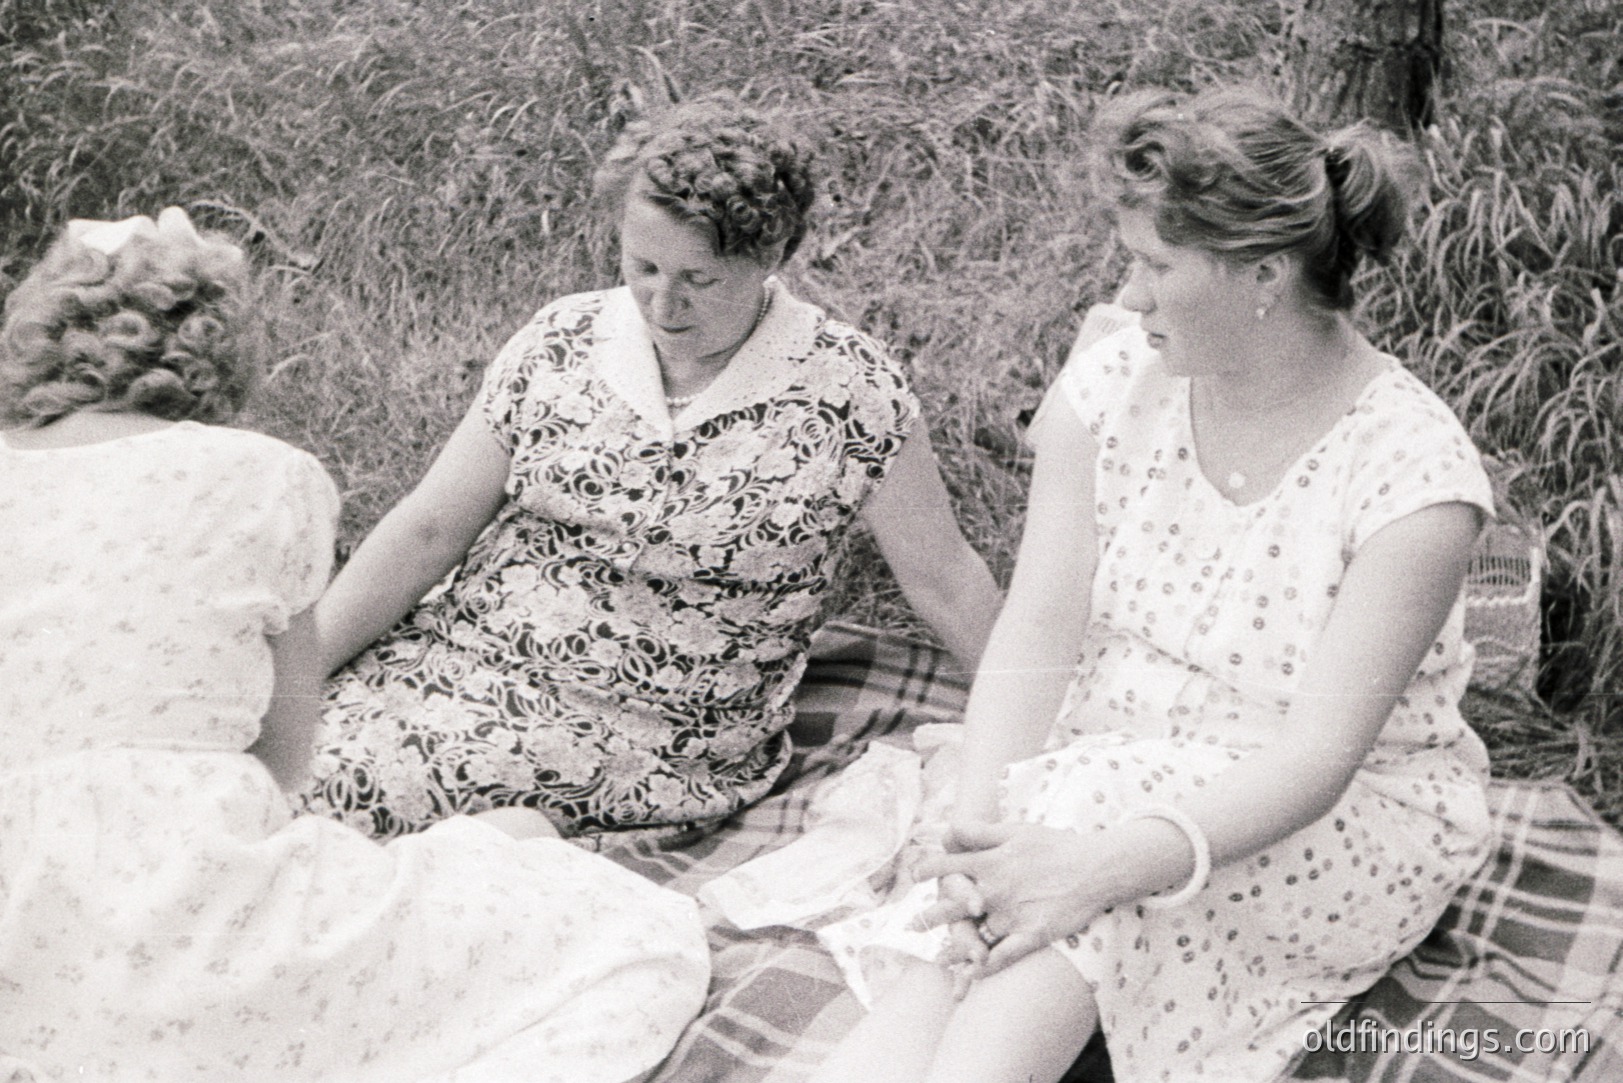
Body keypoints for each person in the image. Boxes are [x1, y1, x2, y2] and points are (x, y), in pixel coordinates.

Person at [807, 85, 1496, 1083]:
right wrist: (982, 833)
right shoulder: (1112, 381)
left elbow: (1315, 763)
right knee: (1004, 877)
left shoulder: (1411, 478)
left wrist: (1090, 867)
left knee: (1085, 860)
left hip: (1331, 823)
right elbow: (1037, 634)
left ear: (1264, 274)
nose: (1126, 296)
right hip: (1108, 763)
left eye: (1156, 265)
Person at [0, 208, 708, 1082]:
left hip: (20, 945)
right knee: (624, 933)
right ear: (212, 354)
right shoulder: (264, 477)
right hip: (192, 898)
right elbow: (287, 753)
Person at [300, 91, 1002, 845]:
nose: (662, 303)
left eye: (699, 280)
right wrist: (302, 672)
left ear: (768, 258)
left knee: (332, 803)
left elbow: (944, 578)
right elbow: (429, 529)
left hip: (651, 729)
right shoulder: (564, 340)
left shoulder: (849, 393)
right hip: (460, 656)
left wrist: (1055, 726)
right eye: (642, 266)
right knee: (255, 753)